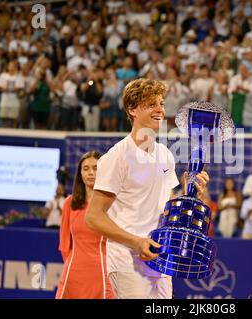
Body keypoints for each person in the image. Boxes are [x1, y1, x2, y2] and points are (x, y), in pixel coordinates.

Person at [85, 78, 210, 299]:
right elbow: (93, 217)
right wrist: (137, 241)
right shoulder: (117, 156)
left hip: (160, 257)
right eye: (151, 104)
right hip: (127, 260)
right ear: (132, 109)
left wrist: (189, 193)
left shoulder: (165, 155)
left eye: (161, 103)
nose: (160, 110)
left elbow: (164, 208)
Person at [56, 151, 114, 299]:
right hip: (73, 272)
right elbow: (64, 244)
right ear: (80, 173)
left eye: (95, 168)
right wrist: (71, 265)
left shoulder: (112, 203)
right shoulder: (70, 203)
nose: (91, 173)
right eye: (86, 168)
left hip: (102, 272)